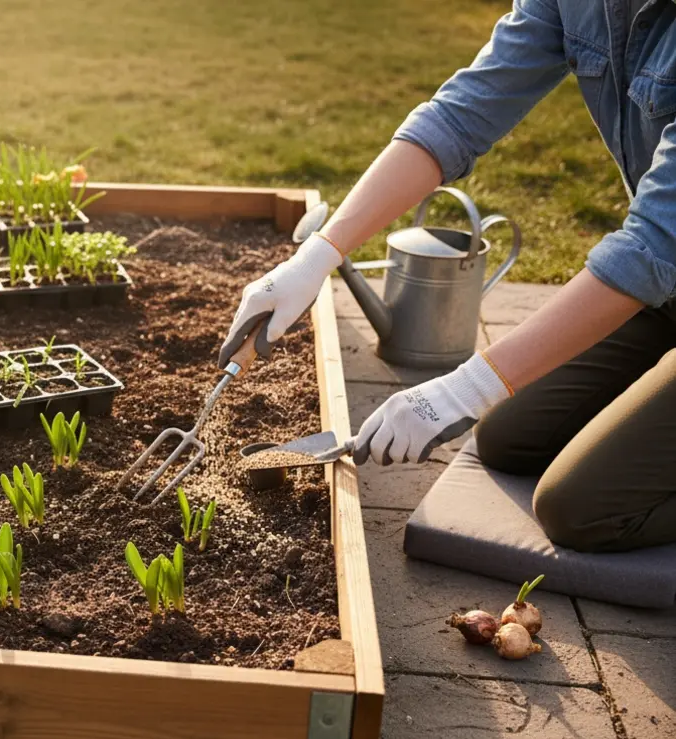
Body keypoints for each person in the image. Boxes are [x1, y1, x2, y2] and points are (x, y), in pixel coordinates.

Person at [219, 0, 676, 554]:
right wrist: (316, 256)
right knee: (510, 437)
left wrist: (465, 387)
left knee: (581, 510)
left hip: (659, 261)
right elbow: (459, 116)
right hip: (665, 290)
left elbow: (651, 245)